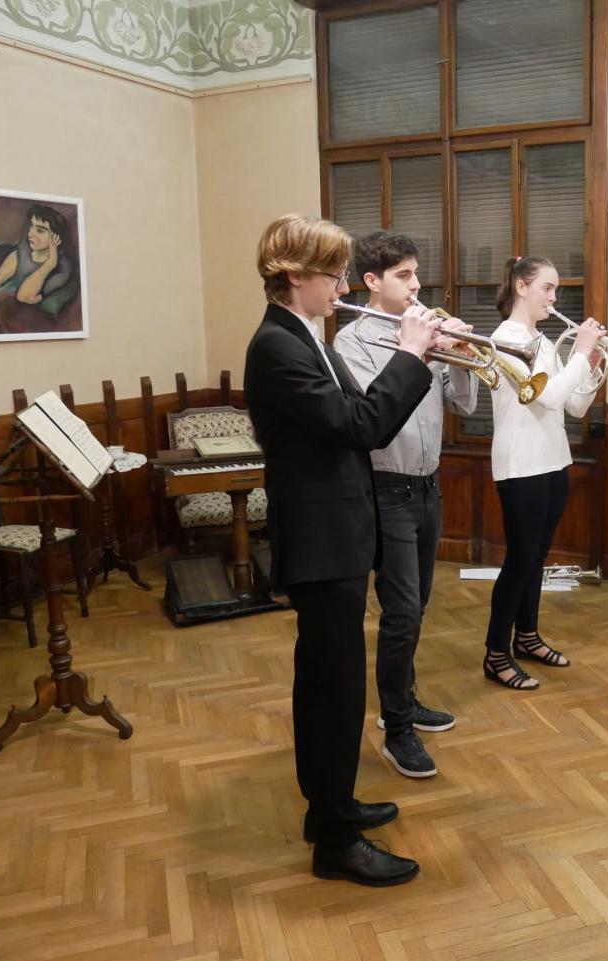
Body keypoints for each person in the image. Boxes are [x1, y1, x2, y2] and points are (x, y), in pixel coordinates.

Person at [243, 213, 443, 887]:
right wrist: (410, 354)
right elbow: (363, 424)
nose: (342, 286)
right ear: (294, 275)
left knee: (329, 685)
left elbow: (360, 420)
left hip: (339, 535)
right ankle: (334, 842)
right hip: (321, 541)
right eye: (332, 274)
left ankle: (332, 805)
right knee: (333, 691)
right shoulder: (276, 346)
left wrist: (418, 358)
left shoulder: (306, 336)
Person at [333, 233, 478, 779]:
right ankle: (396, 729)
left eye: (417, 273)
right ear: (371, 281)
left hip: (427, 486)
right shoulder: (350, 342)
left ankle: (405, 700)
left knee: (417, 609)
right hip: (386, 490)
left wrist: (460, 357)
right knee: (399, 613)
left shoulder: (427, 329)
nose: (417, 285)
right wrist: (414, 349)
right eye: (403, 275)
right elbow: (375, 413)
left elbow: (463, 403)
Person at [482, 255, 605, 691]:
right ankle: (496, 653)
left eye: (556, 290)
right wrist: (581, 353)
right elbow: (547, 397)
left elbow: (573, 406)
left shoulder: (544, 341)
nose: (554, 298)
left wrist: (590, 368)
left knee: (537, 558)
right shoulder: (503, 340)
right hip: (521, 466)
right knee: (519, 560)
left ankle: (527, 636)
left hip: (553, 461)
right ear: (521, 287)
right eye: (547, 288)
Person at [0, 204, 78, 320]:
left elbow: (24, 296)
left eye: (40, 230)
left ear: (57, 238)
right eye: (31, 228)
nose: (30, 234)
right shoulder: (24, 250)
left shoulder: (62, 267)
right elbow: (0, 276)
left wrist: (50, 263)